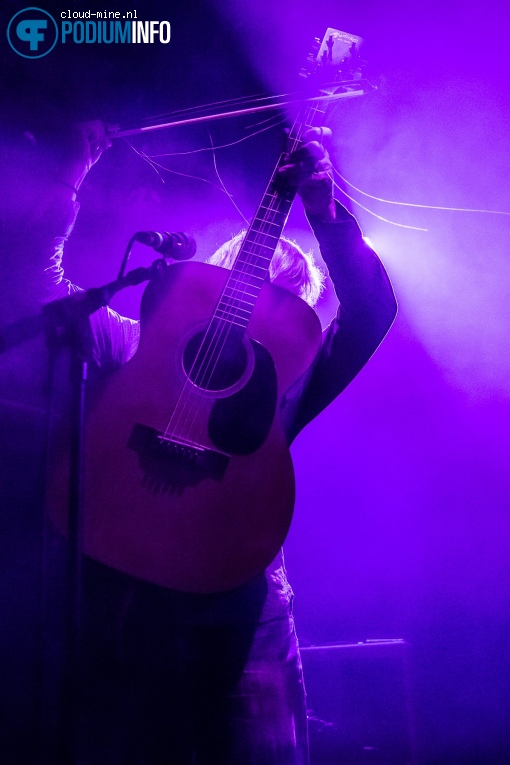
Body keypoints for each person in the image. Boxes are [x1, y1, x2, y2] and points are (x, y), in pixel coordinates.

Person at [33, 120, 396, 765]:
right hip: (112, 588)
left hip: (236, 599)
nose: (255, 306)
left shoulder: (293, 377)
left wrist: (322, 205)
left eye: (281, 303)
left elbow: (370, 309)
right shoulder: (138, 346)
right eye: (242, 288)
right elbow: (43, 288)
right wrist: (69, 179)